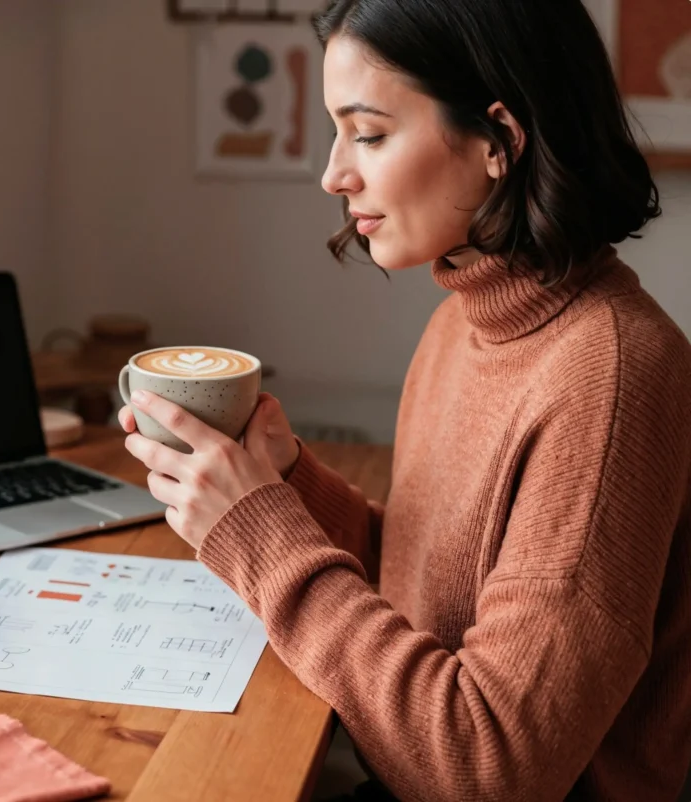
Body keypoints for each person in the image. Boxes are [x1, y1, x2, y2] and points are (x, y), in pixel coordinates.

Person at [118, 0, 691, 799]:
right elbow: (437, 591)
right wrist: (287, 483)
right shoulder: (459, 326)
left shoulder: (618, 377)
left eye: (370, 133)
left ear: (500, 141)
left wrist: (260, 535)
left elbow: (493, 766)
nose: (332, 173)